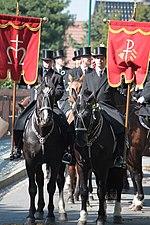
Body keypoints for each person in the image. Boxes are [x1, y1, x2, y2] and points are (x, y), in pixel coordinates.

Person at [13, 49, 71, 163]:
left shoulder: (57, 76)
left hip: (51, 105)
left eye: (49, 61)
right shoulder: (35, 73)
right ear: (42, 61)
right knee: (19, 121)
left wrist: (51, 95)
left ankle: (65, 150)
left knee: (63, 122)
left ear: (52, 62)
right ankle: (18, 148)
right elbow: (25, 81)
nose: (47, 63)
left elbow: (60, 91)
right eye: (45, 61)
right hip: (34, 104)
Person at [80, 45, 125, 167]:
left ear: (105, 60)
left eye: (102, 58)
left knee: (121, 124)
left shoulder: (111, 76)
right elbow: (83, 93)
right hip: (91, 107)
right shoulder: (88, 77)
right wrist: (89, 102)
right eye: (97, 58)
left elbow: (118, 91)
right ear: (93, 60)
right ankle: (73, 154)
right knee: (75, 125)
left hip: (107, 107)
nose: (100, 60)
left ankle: (119, 155)